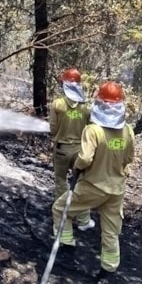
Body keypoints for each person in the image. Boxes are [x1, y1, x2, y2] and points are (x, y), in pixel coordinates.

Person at [52, 80, 135, 282]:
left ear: (99, 103)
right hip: (116, 190)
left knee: (60, 209)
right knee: (110, 231)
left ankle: (66, 246)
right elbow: (128, 159)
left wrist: (77, 167)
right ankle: (108, 270)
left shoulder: (93, 130)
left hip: (93, 186)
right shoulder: (128, 131)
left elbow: (85, 158)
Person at [49, 67, 95, 231]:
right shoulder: (85, 107)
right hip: (79, 152)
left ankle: (61, 215)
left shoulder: (57, 104)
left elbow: (53, 129)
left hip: (61, 150)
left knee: (61, 182)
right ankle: (83, 221)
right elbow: (92, 129)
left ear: (64, 84)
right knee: (81, 185)